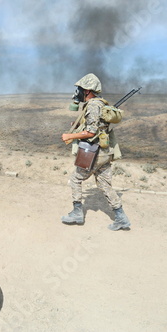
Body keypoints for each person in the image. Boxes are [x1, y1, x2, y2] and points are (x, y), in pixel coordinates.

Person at [61, 73, 131, 231]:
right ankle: (121, 218)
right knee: (105, 185)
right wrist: (78, 125)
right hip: (105, 153)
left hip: (94, 153)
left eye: (80, 89)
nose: (77, 92)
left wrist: (70, 135)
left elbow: (91, 133)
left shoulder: (93, 105)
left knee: (75, 179)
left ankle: (77, 213)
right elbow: (96, 126)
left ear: (87, 90)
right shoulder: (99, 104)